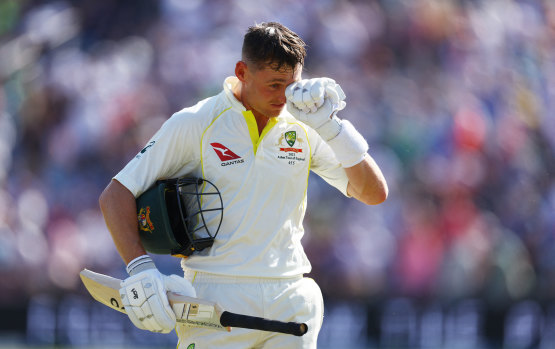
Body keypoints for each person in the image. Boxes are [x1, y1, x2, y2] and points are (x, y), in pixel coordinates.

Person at [99, 21, 388, 349]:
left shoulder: (306, 124)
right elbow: (116, 195)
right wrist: (140, 269)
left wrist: (332, 126)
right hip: (216, 297)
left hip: (291, 296)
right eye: (273, 85)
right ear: (242, 71)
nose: (283, 97)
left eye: (290, 86)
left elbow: (374, 193)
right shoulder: (196, 122)